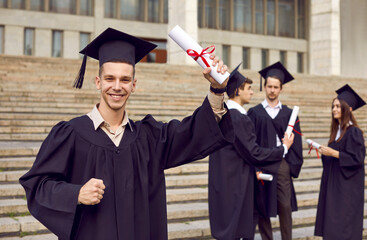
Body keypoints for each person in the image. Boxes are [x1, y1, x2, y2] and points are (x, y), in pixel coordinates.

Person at [19, 28, 234, 240]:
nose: (116, 86)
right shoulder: (71, 134)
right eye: (110, 78)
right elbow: (37, 185)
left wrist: (217, 90)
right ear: (98, 82)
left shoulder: (149, 137)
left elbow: (193, 132)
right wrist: (75, 194)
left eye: (124, 80)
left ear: (134, 85)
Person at [208, 64, 294, 240]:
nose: (252, 93)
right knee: (238, 229)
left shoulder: (224, 114)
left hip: (224, 181)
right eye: (249, 89)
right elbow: (254, 152)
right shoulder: (238, 117)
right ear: (238, 91)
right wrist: (283, 148)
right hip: (236, 183)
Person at [247, 62, 303, 240]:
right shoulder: (254, 113)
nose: (272, 90)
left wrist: (291, 164)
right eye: (269, 86)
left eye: (275, 87)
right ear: (264, 87)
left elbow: (297, 141)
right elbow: (250, 142)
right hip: (262, 163)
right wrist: (254, 167)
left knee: (285, 206)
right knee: (262, 205)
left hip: (281, 164)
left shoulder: (289, 114)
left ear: (281, 89)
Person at [314, 84, 366, 240]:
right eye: (333, 106)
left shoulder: (354, 132)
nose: (334, 109)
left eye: (337, 106)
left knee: (343, 229)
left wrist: (334, 153)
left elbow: (357, 159)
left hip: (346, 191)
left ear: (348, 109)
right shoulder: (336, 133)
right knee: (331, 228)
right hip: (333, 187)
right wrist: (324, 152)